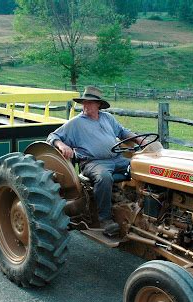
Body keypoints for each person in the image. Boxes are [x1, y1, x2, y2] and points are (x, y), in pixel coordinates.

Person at [47, 86, 141, 235]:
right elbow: (53, 136)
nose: (86, 105)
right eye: (84, 102)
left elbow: (122, 132)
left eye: (90, 102)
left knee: (142, 168)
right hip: (93, 163)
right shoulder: (76, 123)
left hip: (117, 158)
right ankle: (105, 219)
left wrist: (139, 139)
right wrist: (62, 145)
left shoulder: (107, 118)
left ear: (98, 105)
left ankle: (140, 209)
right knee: (103, 177)